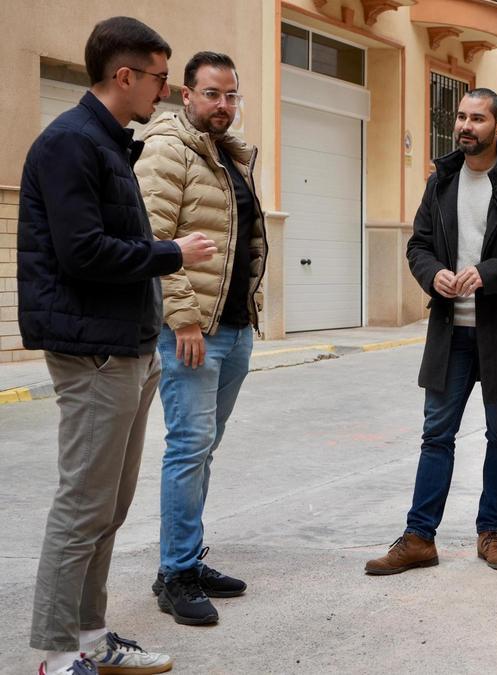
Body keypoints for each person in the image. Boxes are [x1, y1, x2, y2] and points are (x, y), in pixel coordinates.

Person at [19, 17, 217, 675]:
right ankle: (54, 653)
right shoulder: (70, 144)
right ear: (124, 75)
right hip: (93, 351)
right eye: (160, 77)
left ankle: (90, 636)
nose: (165, 89)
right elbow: (82, 253)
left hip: (127, 347)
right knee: (82, 508)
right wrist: (173, 252)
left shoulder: (110, 144)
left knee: (110, 507)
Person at [365, 88, 497, 575]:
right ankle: (418, 538)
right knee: (436, 434)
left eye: (477, 118)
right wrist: (431, 272)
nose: (465, 126)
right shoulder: (442, 181)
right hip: (450, 332)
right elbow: (419, 245)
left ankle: (491, 532)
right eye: (460, 116)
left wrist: (489, 273)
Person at [135, 51, 265, 626]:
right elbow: (154, 238)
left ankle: (187, 556)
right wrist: (183, 316)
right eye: (212, 94)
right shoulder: (168, 149)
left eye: (231, 95)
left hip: (234, 328)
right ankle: (175, 573)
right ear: (186, 95)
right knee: (188, 449)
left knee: (203, 449)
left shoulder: (227, 156)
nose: (223, 105)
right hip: (195, 332)